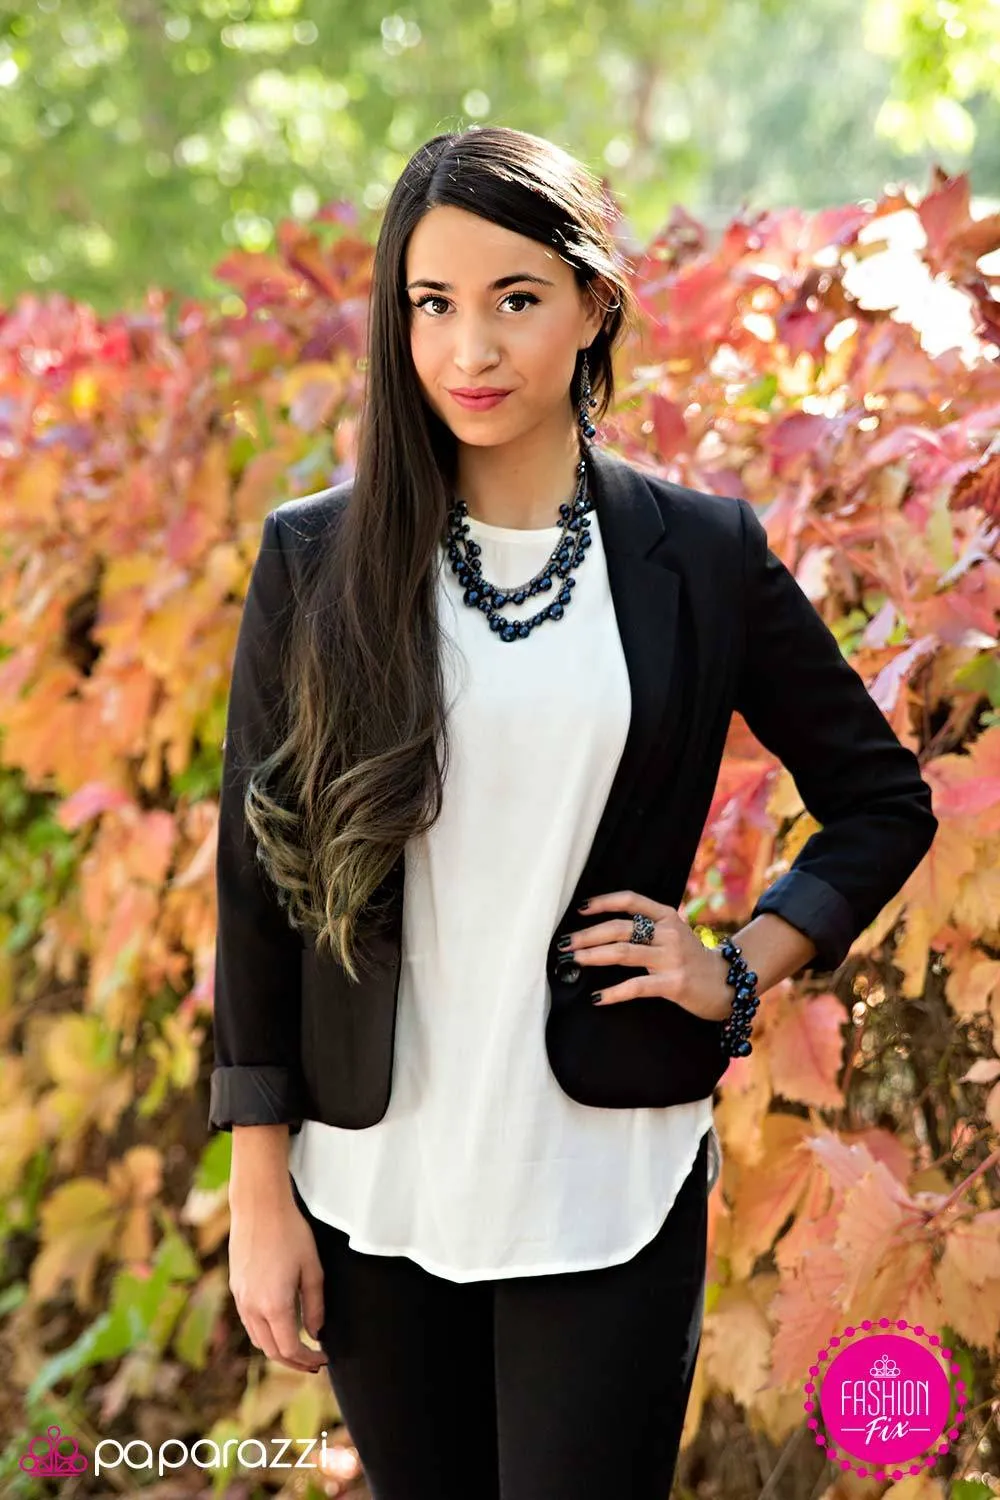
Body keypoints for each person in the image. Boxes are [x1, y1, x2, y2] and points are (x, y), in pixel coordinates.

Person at [209, 126, 938, 1499]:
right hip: (373, 1185)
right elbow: (258, 889)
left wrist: (736, 968)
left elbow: (880, 802)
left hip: (604, 1173)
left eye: (516, 299)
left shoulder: (699, 557)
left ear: (595, 304)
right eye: (433, 305)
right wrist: (261, 1193)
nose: (469, 350)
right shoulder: (316, 561)